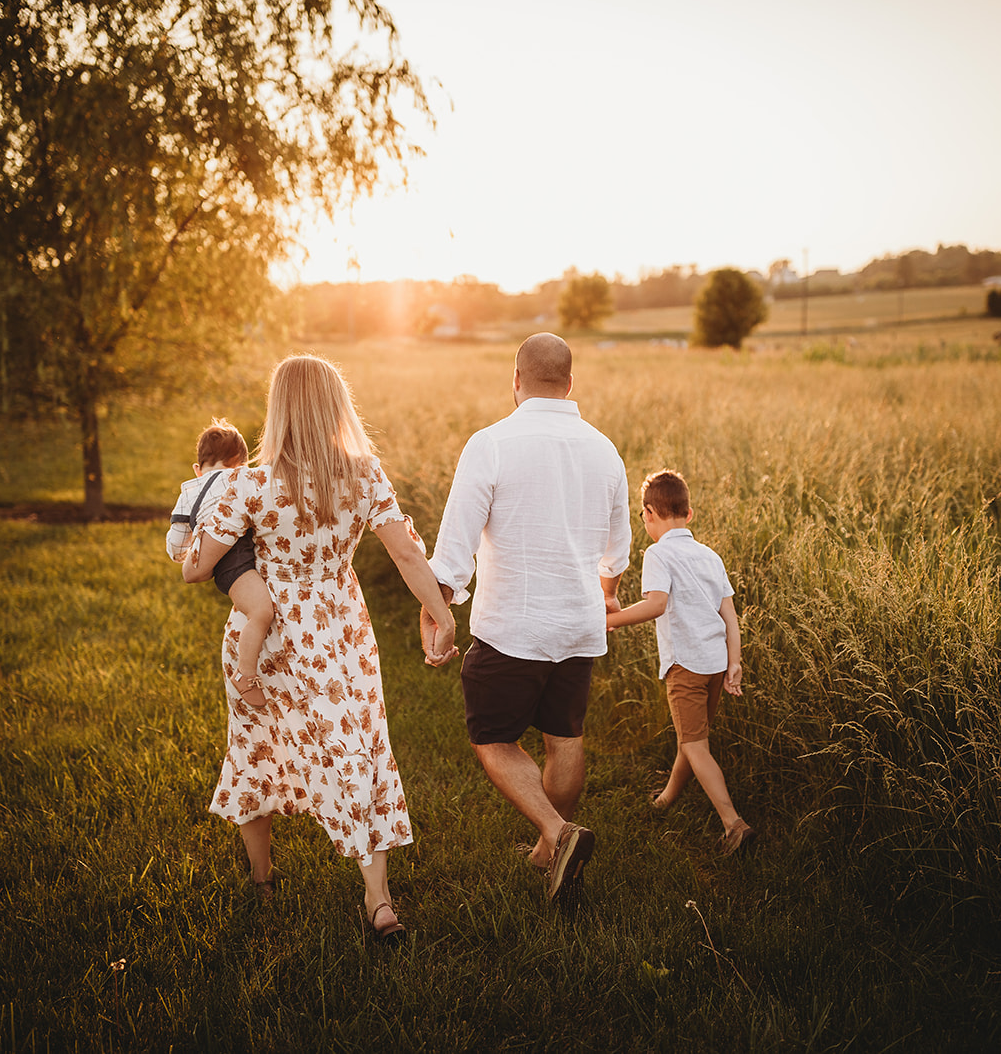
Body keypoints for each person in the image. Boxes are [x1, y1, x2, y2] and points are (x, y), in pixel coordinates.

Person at [183, 355, 456, 938]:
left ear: (278, 409)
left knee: (254, 748)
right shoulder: (365, 475)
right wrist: (442, 616)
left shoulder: (244, 483)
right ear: (337, 406)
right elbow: (406, 555)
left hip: (268, 634)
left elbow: (197, 567)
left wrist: (193, 532)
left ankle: (262, 882)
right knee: (358, 749)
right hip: (340, 631)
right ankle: (378, 900)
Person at [421, 333, 632, 903]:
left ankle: (559, 835)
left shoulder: (490, 444)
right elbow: (618, 552)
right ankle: (548, 853)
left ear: (515, 381)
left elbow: (454, 548)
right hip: (578, 626)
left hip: (512, 626)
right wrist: (602, 595)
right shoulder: (605, 450)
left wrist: (436, 611)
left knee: (492, 738)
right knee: (564, 739)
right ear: (570, 383)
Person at [606, 469, 754, 857]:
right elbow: (730, 616)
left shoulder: (658, 554)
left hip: (685, 665)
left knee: (696, 744)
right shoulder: (709, 555)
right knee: (690, 739)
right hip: (716, 662)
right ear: (689, 514)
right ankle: (667, 800)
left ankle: (732, 824)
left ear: (650, 513)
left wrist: (608, 619)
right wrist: (735, 663)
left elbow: (656, 605)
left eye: (643, 518)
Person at [166, 418, 277, 710]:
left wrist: (189, 554)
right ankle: (245, 674)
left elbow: (176, 546)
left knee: (259, 609)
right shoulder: (243, 479)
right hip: (235, 562)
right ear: (242, 463)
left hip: (224, 562)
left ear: (197, 468)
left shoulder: (189, 492)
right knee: (262, 611)